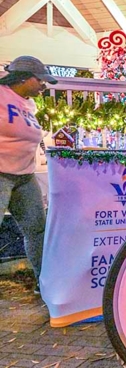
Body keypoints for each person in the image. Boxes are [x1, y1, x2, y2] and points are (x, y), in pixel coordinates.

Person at [0, 56, 58, 290]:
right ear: (24, 78)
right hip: (1, 173)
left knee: (37, 229)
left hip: (24, 175)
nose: (43, 85)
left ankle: (44, 281)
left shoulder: (28, 104)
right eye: (40, 80)